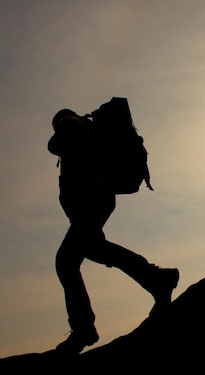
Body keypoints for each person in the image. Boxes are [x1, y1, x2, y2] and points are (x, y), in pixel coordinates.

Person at [48, 108, 179, 355]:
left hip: (89, 201)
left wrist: (59, 131)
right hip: (97, 200)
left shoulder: (70, 123)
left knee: (66, 262)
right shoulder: (86, 131)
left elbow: (55, 144)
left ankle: (83, 329)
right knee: (95, 251)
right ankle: (158, 279)